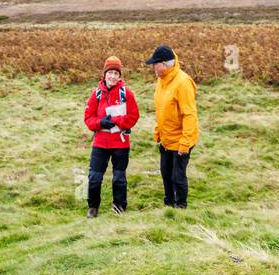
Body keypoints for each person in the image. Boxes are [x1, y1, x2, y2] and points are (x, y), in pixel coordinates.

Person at [83, 56, 140, 216]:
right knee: (94, 177)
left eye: (116, 73)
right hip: (100, 143)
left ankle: (119, 207)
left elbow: (133, 117)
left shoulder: (126, 94)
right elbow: (88, 119)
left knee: (119, 177)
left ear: (120, 76)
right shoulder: (96, 94)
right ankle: (93, 208)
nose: (113, 76)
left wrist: (115, 121)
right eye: (110, 72)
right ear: (104, 74)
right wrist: (101, 123)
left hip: (120, 143)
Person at [145, 43, 199, 209]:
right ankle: (169, 204)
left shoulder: (182, 83)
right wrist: (158, 131)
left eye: (156, 64)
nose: (153, 67)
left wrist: (185, 142)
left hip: (181, 139)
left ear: (165, 64)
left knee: (177, 176)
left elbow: (189, 115)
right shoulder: (161, 80)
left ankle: (181, 207)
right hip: (166, 138)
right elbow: (162, 107)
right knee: (166, 174)